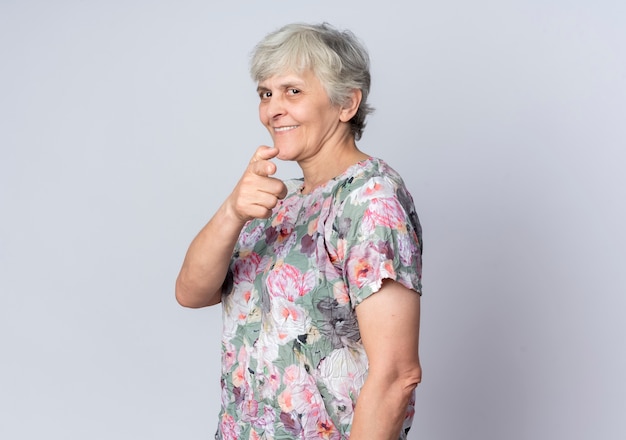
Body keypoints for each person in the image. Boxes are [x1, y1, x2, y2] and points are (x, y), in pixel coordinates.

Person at [176, 22, 423, 440]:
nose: (273, 108)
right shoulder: (279, 201)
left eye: (293, 91)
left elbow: (397, 374)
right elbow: (191, 293)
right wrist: (232, 211)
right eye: (265, 93)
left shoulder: (370, 200)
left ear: (346, 104)